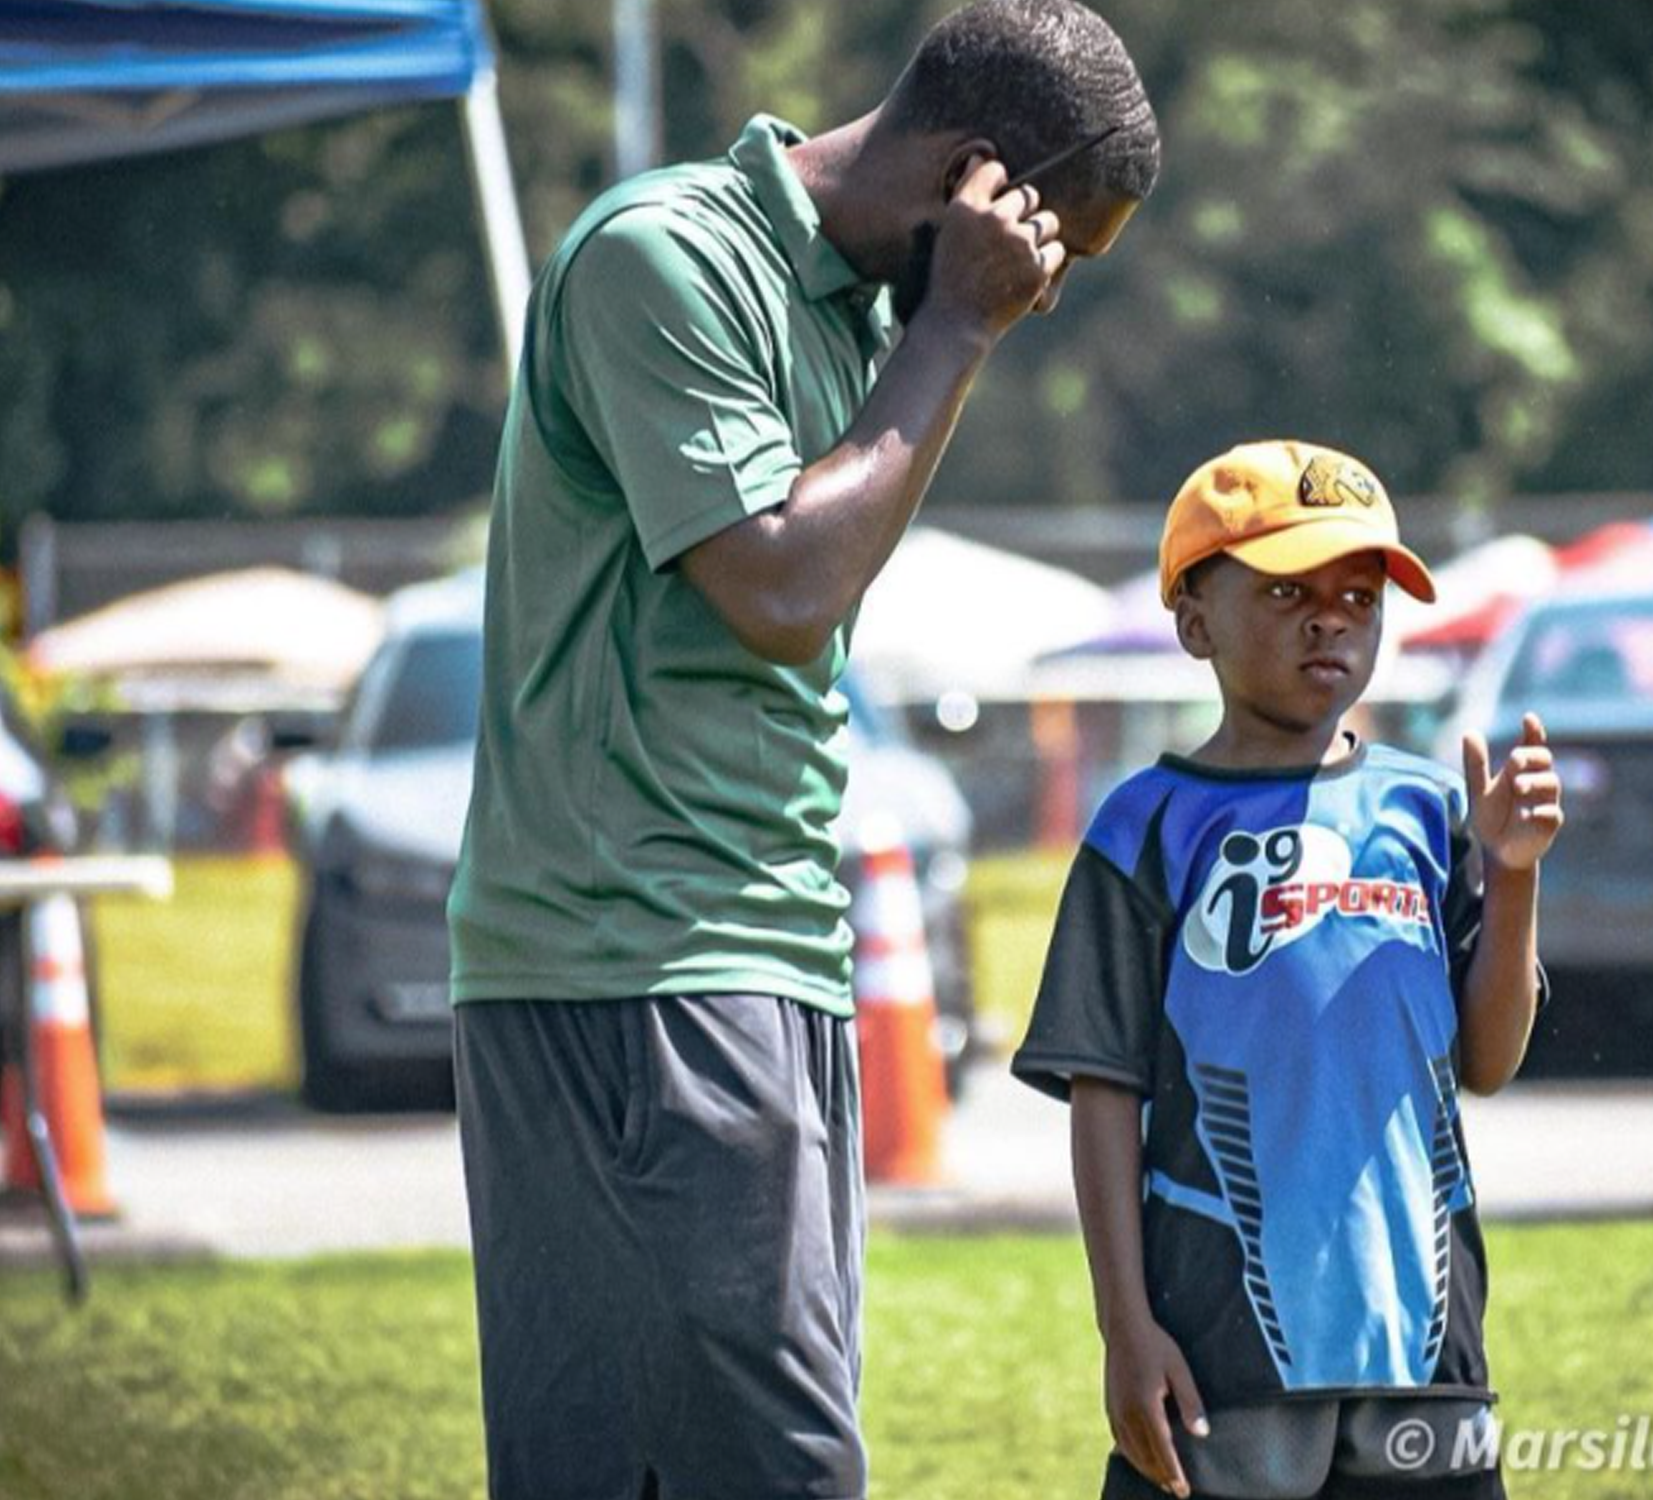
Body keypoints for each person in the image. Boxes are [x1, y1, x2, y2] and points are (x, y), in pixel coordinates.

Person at [443, 5, 1159, 1497]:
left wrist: (936, 330)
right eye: (1052, 254)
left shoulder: (864, 321)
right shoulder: (669, 259)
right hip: (633, 960)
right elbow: (778, 588)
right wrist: (956, 325)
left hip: (758, 952)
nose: (1044, 298)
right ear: (977, 181)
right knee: (771, 1470)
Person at [1012, 440, 1562, 1500]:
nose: (1332, 618)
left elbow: (1487, 1062)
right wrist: (1126, 1330)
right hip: (1221, 1357)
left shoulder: (1427, 811)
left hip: (1423, 1350)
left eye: (1359, 594)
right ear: (1194, 619)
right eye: (1286, 590)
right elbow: (1102, 1095)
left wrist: (1512, 876)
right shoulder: (1146, 828)